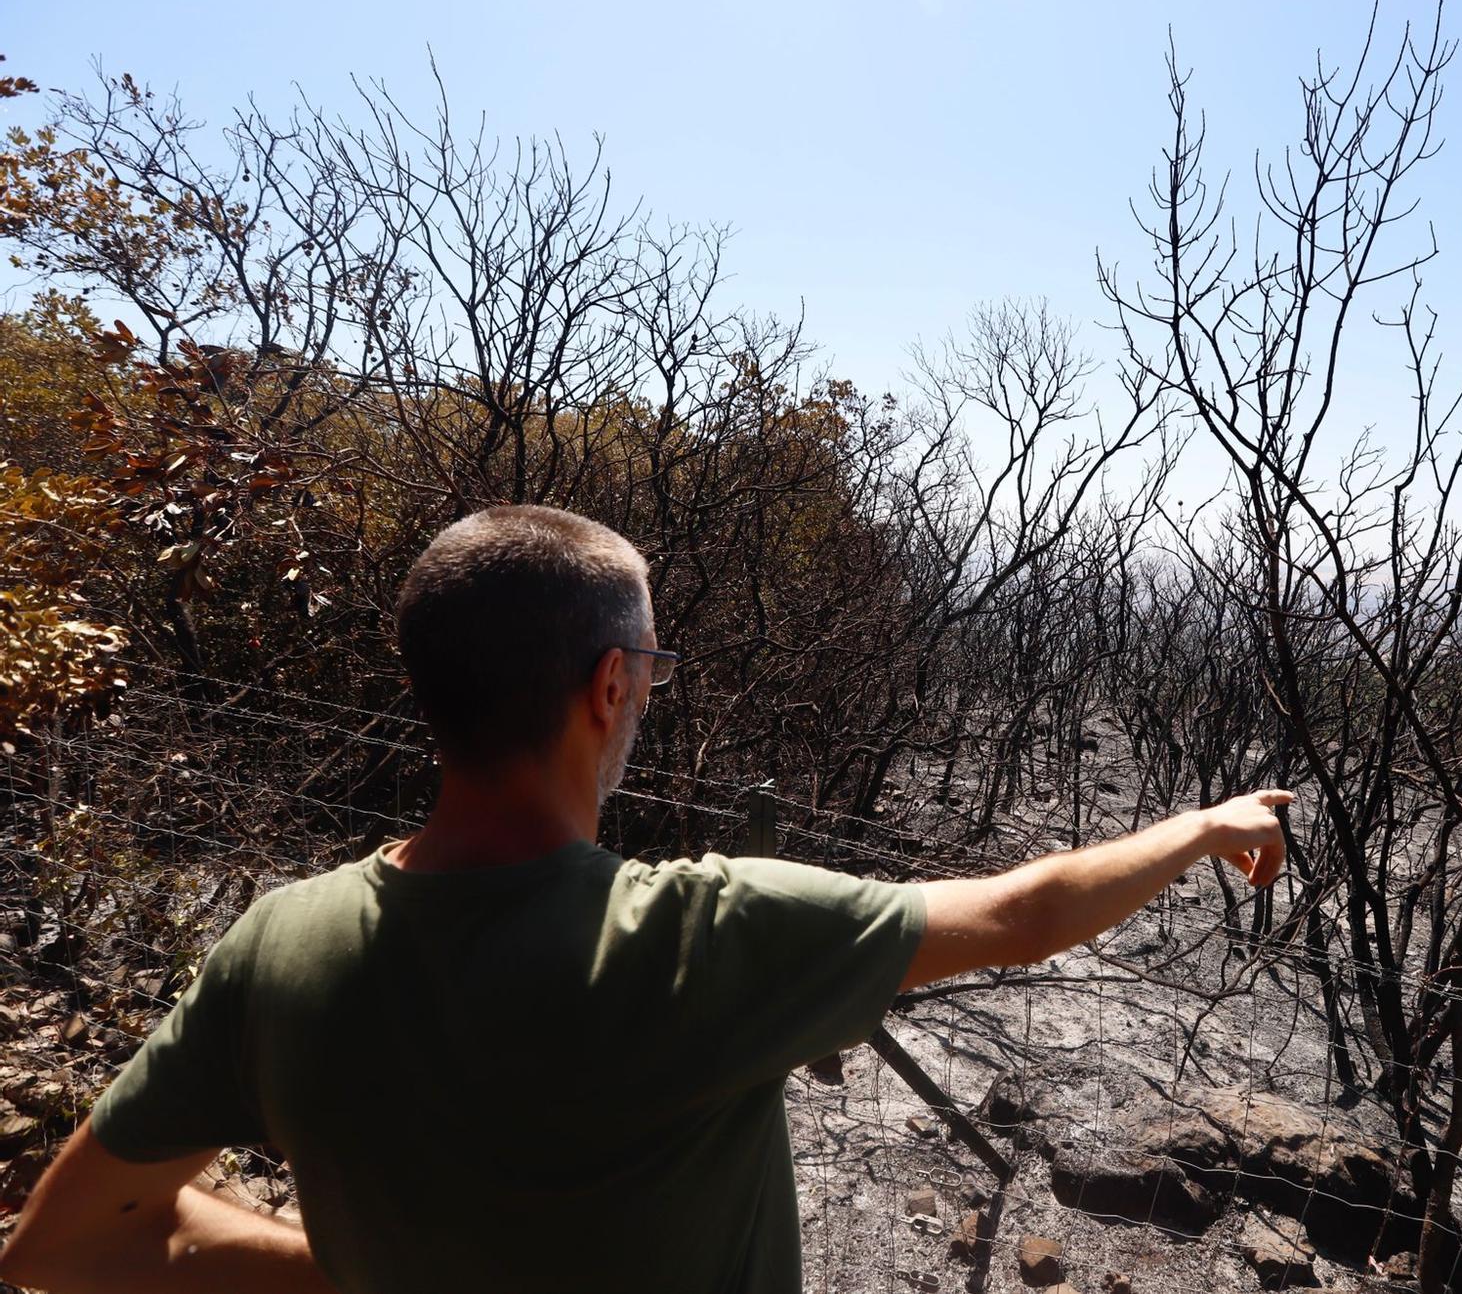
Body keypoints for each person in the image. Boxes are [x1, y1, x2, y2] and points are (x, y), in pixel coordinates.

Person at [0, 504, 1290, 1293]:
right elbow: (1022, 914)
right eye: (653, 666)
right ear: (610, 686)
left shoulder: (276, 946)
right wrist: (1200, 822)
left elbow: (59, 1248)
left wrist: (354, 1269)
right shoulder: (703, 936)